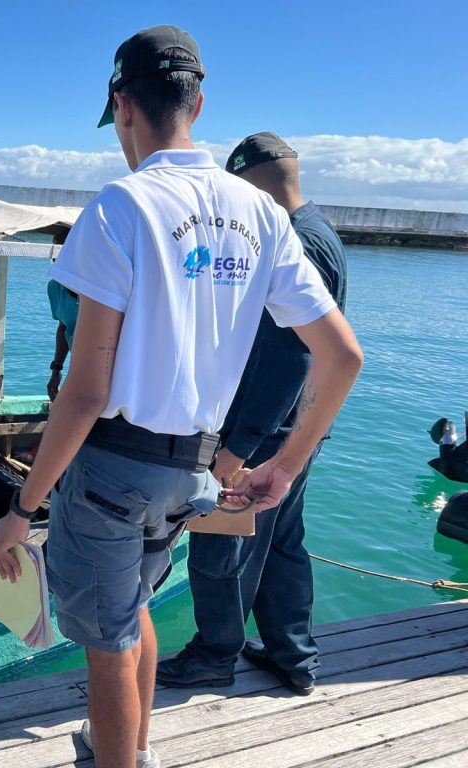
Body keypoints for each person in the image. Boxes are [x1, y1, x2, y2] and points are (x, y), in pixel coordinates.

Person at [0, 25, 362, 768]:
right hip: (188, 477)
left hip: (112, 473)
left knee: (105, 648)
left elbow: (86, 392)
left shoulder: (120, 207)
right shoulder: (261, 215)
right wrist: (284, 465)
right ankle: (140, 749)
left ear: (123, 105)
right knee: (134, 615)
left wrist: (19, 511)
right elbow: (342, 357)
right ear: (199, 99)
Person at [156, 132, 349, 697]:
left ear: (247, 180)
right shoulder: (322, 233)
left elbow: (286, 357)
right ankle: (294, 655)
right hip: (298, 431)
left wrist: (239, 445)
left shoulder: (293, 241)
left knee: (219, 541)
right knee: (283, 540)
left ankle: (215, 654)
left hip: (265, 432)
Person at [46, 228, 78, 400]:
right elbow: (64, 327)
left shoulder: (102, 288)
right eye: (54, 250)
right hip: (79, 366)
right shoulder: (55, 287)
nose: (54, 258)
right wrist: (56, 369)